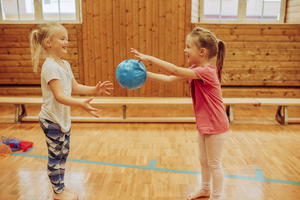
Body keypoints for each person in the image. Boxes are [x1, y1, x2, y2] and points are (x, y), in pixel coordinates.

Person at [131, 27, 229, 200]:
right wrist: (143, 74)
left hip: (216, 125)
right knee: (203, 160)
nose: (185, 50)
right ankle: (205, 189)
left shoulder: (206, 71)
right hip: (205, 123)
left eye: (188, 46)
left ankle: (217, 196)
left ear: (202, 51)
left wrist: (149, 59)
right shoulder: (195, 69)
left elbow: (174, 71)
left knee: (214, 164)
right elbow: (169, 79)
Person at [30, 22, 113, 200]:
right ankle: (57, 192)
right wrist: (80, 104)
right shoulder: (50, 67)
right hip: (52, 120)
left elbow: (74, 86)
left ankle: (60, 186)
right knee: (55, 157)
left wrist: (94, 90)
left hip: (62, 119)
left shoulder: (65, 64)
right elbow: (59, 96)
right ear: (48, 43)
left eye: (67, 38)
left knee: (62, 155)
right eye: (62, 38)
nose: (66, 41)